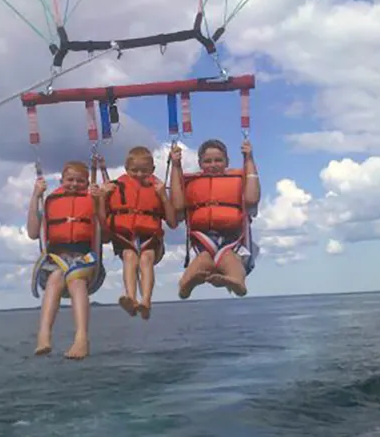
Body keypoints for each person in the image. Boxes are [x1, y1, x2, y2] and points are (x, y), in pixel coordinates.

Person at [26, 161, 105, 360]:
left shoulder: (92, 199)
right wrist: (36, 195)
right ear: (61, 180)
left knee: (76, 281)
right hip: (57, 259)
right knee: (55, 279)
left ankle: (81, 339)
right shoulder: (51, 200)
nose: (74, 184)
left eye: (80, 181)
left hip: (85, 259)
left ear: (87, 183)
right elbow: (33, 232)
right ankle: (44, 335)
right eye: (70, 180)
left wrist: (99, 202)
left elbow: (105, 231)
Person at [169, 138, 260, 299]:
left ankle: (237, 282)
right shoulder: (192, 183)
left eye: (218, 160)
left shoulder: (240, 180)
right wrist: (176, 166)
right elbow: (177, 205)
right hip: (203, 239)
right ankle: (186, 285)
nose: (213, 164)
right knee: (203, 261)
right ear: (200, 163)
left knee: (230, 259)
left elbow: (252, 198)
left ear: (227, 162)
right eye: (207, 161)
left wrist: (249, 158)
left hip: (232, 238)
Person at [102, 146, 177, 320]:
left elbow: (172, 222)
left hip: (150, 236)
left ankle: (146, 301)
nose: (139, 174)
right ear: (126, 169)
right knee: (129, 256)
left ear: (152, 170)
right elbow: (102, 216)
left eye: (144, 171)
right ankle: (131, 298)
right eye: (134, 170)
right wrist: (103, 196)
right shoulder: (116, 187)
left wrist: (163, 197)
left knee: (146, 258)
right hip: (125, 236)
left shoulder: (157, 188)